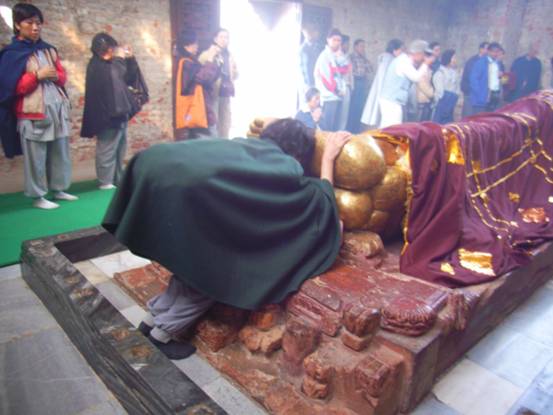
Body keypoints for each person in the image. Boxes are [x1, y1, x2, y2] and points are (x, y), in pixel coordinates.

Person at [103, 118, 350, 359]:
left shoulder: (243, 145)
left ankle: (149, 322)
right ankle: (161, 336)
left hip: (159, 177)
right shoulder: (284, 166)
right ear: (298, 151)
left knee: (186, 272)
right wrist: (328, 159)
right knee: (210, 281)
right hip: (197, 214)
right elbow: (321, 202)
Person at [0, 3, 77, 209]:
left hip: (57, 110)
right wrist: (36, 76)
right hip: (32, 113)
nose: (35, 27)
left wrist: (56, 76)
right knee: (36, 157)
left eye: (38, 23)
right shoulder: (11, 53)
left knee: (60, 152)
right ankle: (38, 196)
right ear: (18, 25)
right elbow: (10, 87)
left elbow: (62, 77)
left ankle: (59, 189)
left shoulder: (48, 49)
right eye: (29, 23)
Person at [81, 33, 147, 190]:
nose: (112, 51)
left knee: (119, 148)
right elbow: (115, 76)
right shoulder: (97, 66)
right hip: (106, 115)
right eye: (110, 49)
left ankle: (117, 178)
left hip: (119, 113)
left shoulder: (111, 64)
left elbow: (128, 77)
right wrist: (119, 58)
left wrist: (129, 59)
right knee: (107, 148)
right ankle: (105, 181)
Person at [174, 29, 221, 139]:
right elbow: (202, 78)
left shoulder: (190, 62)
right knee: (210, 143)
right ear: (186, 45)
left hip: (199, 110)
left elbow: (209, 78)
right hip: (199, 111)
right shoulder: (186, 63)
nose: (197, 46)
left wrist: (216, 61)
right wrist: (210, 58)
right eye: (195, 43)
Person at [378, 39, 434, 128]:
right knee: (392, 130)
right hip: (391, 101)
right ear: (418, 53)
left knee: (387, 128)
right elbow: (416, 77)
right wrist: (426, 64)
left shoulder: (404, 60)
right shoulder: (403, 61)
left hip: (391, 100)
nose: (424, 58)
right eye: (424, 55)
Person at [199, 28, 237, 138]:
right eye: (221, 37)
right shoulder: (207, 53)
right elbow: (201, 69)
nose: (224, 40)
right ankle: (214, 143)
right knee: (213, 120)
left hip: (225, 91)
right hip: (213, 92)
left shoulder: (229, 55)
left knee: (225, 121)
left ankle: (224, 142)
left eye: (226, 37)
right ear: (215, 39)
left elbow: (236, 73)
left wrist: (233, 72)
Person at [360, 39, 403, 128]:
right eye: (401, 49)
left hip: (383, 91)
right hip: (385, 92)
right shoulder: (389, 59)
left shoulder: (386, 58)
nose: (403, 52)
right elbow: (384, 78)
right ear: (394, 49)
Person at [314, 28, 348, 132]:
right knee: (326, 129)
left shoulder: (334, 55)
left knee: (333, 127)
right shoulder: (325, 56)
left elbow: (342, 72)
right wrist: (337, 91)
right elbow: (327, 79)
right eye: (334, 40)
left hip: (335, 96)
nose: (337, 43)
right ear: (328, 40)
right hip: (328, 97)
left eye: (339, 40)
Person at [469, 42, 503, 114]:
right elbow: (473, 80)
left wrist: (500, 77)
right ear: (489, 51)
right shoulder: (481, 63)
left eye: (497, 52)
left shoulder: (497, 63)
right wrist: (480, 95)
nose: (495, 54)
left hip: (493, 96)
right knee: (479, 118)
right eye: (494, 51)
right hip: (481, 98)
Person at [347, 39, 373, 133]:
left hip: (362, 83)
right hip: (356, 82)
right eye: (361, 46)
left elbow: (370, 70)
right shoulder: (351, 57)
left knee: (360, 107)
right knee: (354, 107)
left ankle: (357, 130)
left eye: (364, 46)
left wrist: (366, 60)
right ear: (355, 47)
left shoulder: (363, 58)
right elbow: (352, 72)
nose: (363, 48)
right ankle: (351, 129)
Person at [460, 42, 489, 118]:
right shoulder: (473, 61)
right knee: (468, 115)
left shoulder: (487, 62)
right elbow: (471, 77)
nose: (488, 51)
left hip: (479, 94)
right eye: (486, 49)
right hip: (470, 91)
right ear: (481, 49)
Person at [432, 49, 460, 124]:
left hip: (451, 105)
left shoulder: (454, 73)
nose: (455, 60)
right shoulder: (440, 73)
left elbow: (457, 88)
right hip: (442, 105)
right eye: (453, 58)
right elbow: (439, 93)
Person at [298, 24, 323, 103]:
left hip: (316, 81)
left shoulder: (317, 47)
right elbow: (304, 69)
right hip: (308, 83)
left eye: (317, 32)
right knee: (308, 105)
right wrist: (309, 84)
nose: (317, 34)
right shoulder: (303, 49)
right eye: (315, 32)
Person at [336, 34, 352, 131]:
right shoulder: (339, 55)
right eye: (347, 44)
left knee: (344, 113)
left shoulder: (346, 56)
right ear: (342, 44)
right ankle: (339, 131)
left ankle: (341, 130)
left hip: (347, 86)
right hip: (341, 87)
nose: (348, 46)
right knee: (341, 113)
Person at [415, 49, 435, 121]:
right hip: (422, 100)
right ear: (426, 57)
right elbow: (422, 83)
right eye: (432, 57)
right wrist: (432, 94)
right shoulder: (422, 68)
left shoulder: (428, 68)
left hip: (426, 100)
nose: (433, 59)